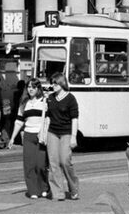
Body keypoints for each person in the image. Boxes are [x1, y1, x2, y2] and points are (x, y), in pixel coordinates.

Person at [7, 78, 50, 200]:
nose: (31, 89)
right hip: (28, 136)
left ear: (38, 89)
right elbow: (19, 122)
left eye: (33, 87)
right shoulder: (24, 104)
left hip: (41, 136)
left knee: (41, 165)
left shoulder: (45, 102)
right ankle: (33, 190)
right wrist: (12, 138)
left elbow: (49, 119)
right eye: (29, 87)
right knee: (29, 165)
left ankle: (44, 187)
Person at [45, 72, 80, 200]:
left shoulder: (71, 98)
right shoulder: (50, 98)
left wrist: (74, 136)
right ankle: (58, 192)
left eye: (55, 83)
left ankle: (73, 188)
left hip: (66, 132)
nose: (53, 85)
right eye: (52, 83)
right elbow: (48, 117)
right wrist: (43, 133)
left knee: (65, 161)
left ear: (61, 83)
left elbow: (74, 118)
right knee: (53, 162)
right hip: (52, 132)